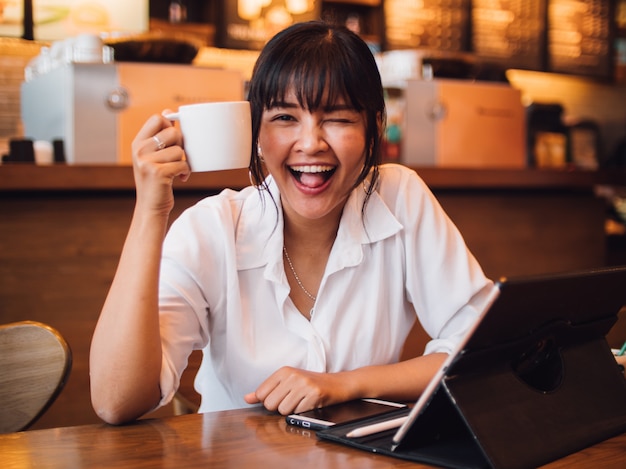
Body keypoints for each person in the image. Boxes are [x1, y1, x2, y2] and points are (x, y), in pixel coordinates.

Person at [89, 20, 494, 425]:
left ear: (372, 130)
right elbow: (116, 401)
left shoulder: (399, 198)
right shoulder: (212, 228)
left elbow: (480, 350)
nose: (311, 142)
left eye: (337, 118)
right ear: (257, 135)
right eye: (285, 117)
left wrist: (346, 384)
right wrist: (149, 211)